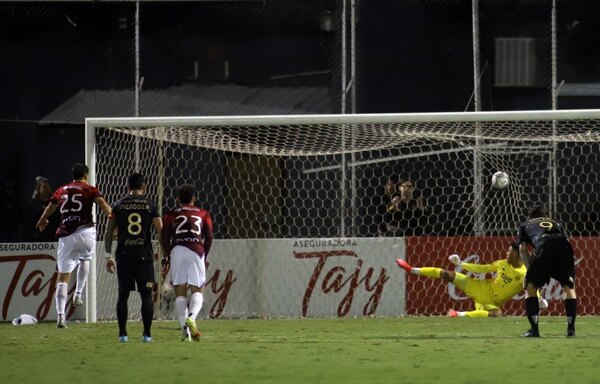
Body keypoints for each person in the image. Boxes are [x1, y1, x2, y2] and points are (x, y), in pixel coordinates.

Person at [35, 163, 111, 328]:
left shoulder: (62, 190)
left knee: (63, 277)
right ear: (86, 175)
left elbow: (51, 206)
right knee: (85, 259)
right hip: (86, 232)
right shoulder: (90, 189)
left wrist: (42, 220)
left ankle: (61, 316)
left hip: (66, 235)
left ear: (73, 175)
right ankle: (78, 294)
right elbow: (104, 207)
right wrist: (114, 222)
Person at [396, 243, 548, 318]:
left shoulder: (524, 273)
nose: (506, 253)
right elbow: (482, 269)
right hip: (478, 287)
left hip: (490, 302)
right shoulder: (502, 263)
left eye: (510, 251)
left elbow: (531, 288)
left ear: (517, 255)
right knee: (448, 274)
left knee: (496, 314)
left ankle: (459, 314)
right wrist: (461, 264)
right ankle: (412, 269)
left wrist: (540, 300)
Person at [104, 173, 163, 343]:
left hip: (124, 255)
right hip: (144, 256)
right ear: (143, 187)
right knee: (146, 295)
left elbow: (109, 232)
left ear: (127, 187)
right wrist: (165, 253)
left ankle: (123, 334)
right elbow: (160, 230)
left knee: (123, 295)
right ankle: (147, 334)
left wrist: (108, 255)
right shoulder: (150, 205)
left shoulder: (118, 205)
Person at [515, 204, 577, 338]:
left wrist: (529, 271)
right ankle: (571, 329)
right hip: (565, 247)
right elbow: (566, 240)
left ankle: (534, 330)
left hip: (544, 247)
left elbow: (523, 249)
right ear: (546, 216)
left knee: (531, 288)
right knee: (569, 287)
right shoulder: (557, 222)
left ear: (530, 216)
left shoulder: (525, 225)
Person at [161, 184, 213, 342]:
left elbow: (164, 235)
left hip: (177, 250)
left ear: (177, 199)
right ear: (194, 199)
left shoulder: (171, 214)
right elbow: (209, 235)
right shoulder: (204, 214)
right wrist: (204, 253)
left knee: (180, 291)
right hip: (196, 249)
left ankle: (185, 331)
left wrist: (167, 253)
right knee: (198, 289)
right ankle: (192, 317)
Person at [23, 176, 60, 242]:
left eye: (48, 187)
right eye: (44, 187)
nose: (46, 189)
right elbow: (28, 221)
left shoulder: (55, 203)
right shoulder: (33, 204)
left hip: (52, 238)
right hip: (35, 238)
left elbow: (58, 220)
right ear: (38, 189)